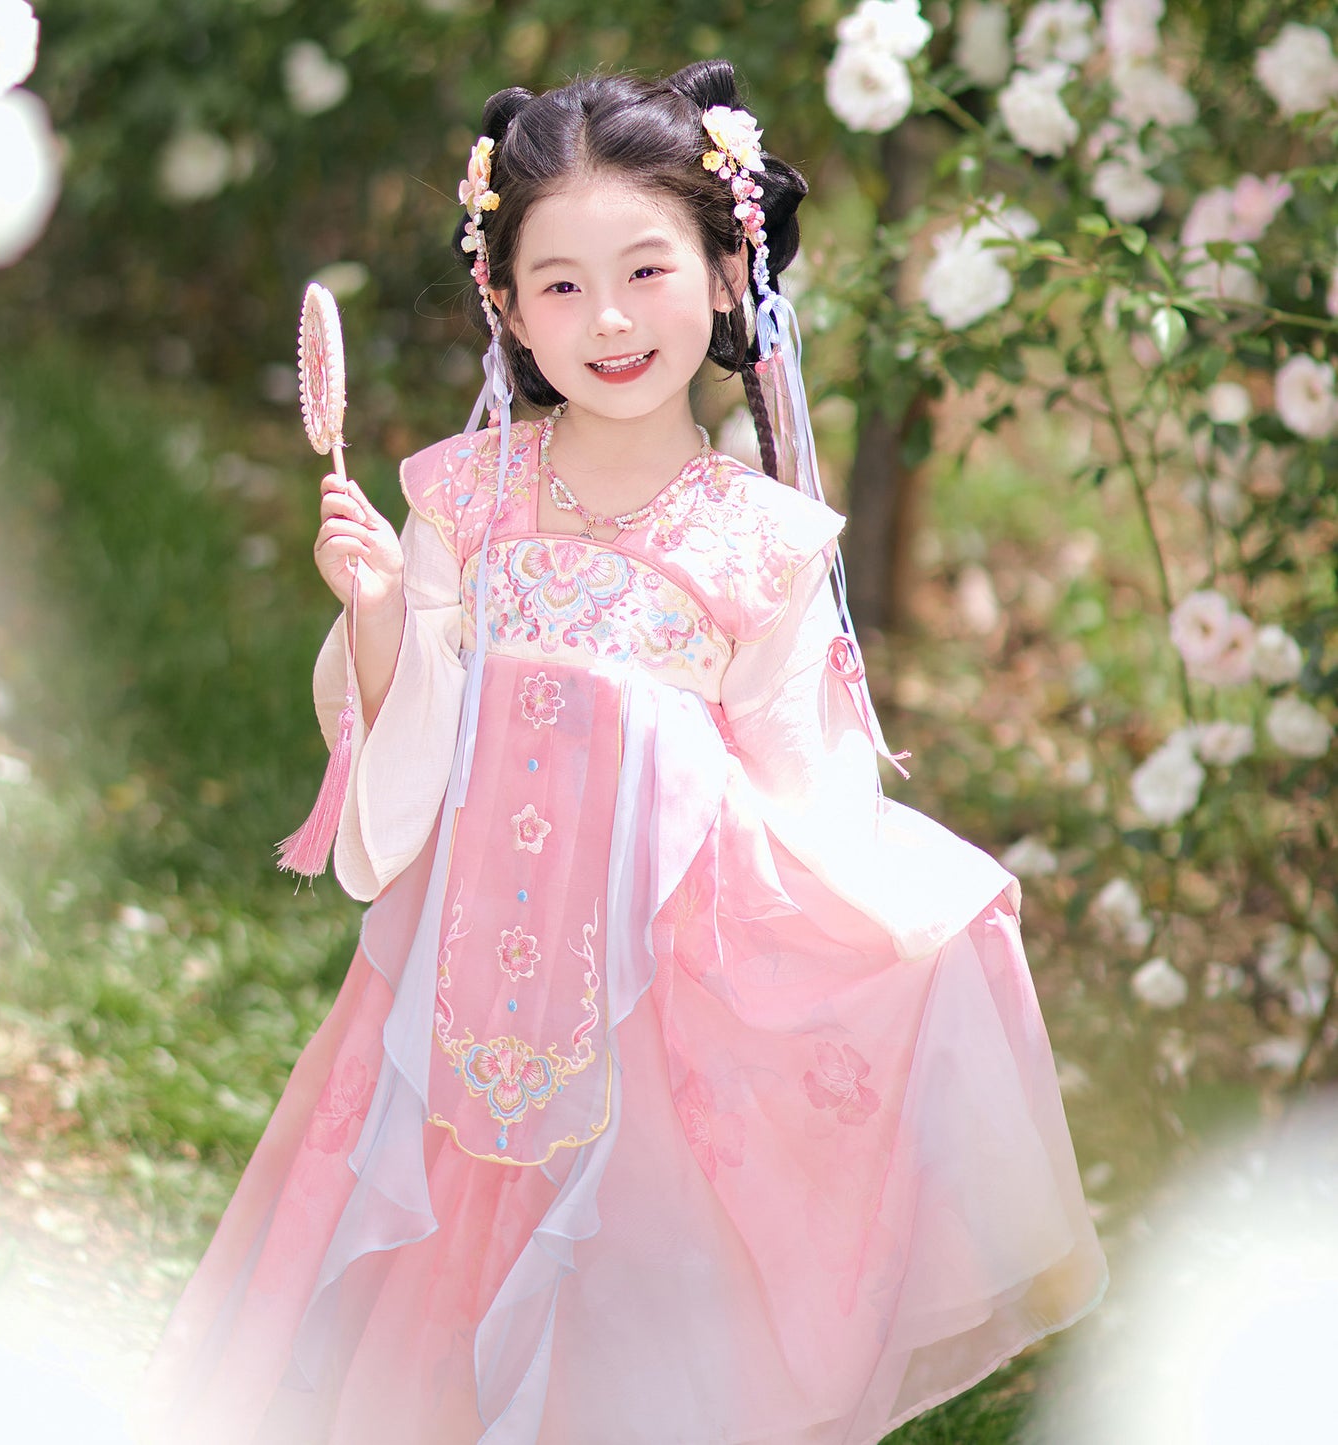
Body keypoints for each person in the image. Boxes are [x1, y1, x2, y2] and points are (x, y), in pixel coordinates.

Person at [140, 60, 1106, 1445]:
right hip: (458, 998)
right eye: (560, 284)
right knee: (426, 1318)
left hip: (654, 1006)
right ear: (507, 307)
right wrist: (369, 615)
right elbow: (402, 748)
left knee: (632, 1319)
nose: (606, 320)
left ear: (725, 274)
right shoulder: (463, 499)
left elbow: (801, 792)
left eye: (645, 270)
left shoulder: (758, 541)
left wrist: (906, 925)